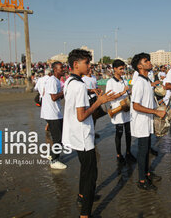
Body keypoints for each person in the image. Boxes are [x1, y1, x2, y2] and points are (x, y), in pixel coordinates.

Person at [62, 49, 115, 218]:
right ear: (76, 64)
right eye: (87, 63)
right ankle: (85, 214)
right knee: (91, 174)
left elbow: (77, 107)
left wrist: (93, 98)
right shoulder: (78, 85)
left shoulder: (70, 81)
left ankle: (82, 196)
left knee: (85, 169)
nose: (90, 66)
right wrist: (99, 102)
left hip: (75, 134)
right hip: (83, 136)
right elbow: (81, 116)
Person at [131, 53, 166, 190]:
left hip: (146, 120)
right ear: (140, 66)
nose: (150, 62)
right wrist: (156, 112)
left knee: (146, 151)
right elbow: (136, 105)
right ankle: (141, 180)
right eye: (146, 61)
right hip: (140, 122)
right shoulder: (139, 82)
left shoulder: (146, 81)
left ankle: (147, 173)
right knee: (142, 150)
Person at [105, 59, 136, 163]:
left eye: (124, 68)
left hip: (126, 111)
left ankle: (128, 152)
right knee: (119, 133)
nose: (123, 70)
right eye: (121, 69)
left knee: (128, 132)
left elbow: (126, 94)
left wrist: (129, 92)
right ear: (114, 69)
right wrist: (123, 92)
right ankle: (118, 154)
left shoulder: (124, 80)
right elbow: (109, 97)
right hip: (117, 111)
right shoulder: (110, 82)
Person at [40, 61, 67, 169]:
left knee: (59, 136)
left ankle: (51, 155)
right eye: (61, 68)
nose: (63, 70)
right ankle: (54, 161)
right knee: (58, 138)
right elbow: (54, 97)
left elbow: (57, 97)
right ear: (55, 69)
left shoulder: (56, 80)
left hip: (55, 112)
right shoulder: (52, 81)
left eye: (63, 68)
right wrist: (65, 91)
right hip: (52, 114)